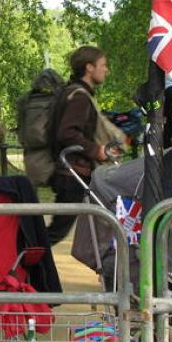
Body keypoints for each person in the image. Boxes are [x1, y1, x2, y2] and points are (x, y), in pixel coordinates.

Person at [46, 45, 113, 245]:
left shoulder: (72, 93)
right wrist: (96, 150)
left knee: (97, 224)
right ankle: (18, 261)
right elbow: (67, 132)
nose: (106, 70)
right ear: (89, 68)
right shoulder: (80, 97)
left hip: (74, 171)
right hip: (73, 172)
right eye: (103, 65)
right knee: (56, 232)